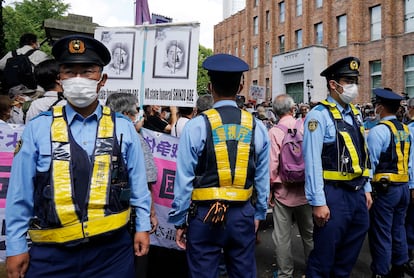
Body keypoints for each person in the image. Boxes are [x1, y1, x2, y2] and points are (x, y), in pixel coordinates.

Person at [5, 34, 152, 277]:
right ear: (59, 79)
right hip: (52, 255)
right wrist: (16, 246)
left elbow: (138, 185)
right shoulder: (38, 128)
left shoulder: (123, 127)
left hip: (111, 254)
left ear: (102, 80)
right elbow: (20, 194)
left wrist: (143, 226)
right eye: (69, 72)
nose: (78, 79)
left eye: (87, 71)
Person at [168, 53, 270, 278]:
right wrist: (258, 213)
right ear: (241, 86)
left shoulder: (196, 126)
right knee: (243, 271)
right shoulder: (257, 127)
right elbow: (263, 177)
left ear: (210, 86)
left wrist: (179, 220)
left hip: (203, 215)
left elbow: (184, 179)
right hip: (242, 214)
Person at [303, 56, 373, 277]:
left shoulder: (356, 113)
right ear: (333, 84)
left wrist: (367, 188)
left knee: (347, 258)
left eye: (355, 80)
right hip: (332, 195)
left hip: (357, 193)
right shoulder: (318, 116)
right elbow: (312, 161)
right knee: (324, 259)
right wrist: (318, 202)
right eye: (348, 80)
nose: (354, 86)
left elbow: (363, 153)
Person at [105, 92, 158, 278]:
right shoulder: (134, 138)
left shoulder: (99, 134)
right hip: (128, 219)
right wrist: (150, 214)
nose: (140, 114)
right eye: (137, 110)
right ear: (127, 114)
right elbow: (145, 182)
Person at [367, 88, 414, 277]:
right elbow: (410, 162)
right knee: (398, 228)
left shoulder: (378, 131)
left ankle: (380, 271)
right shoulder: (405, 129)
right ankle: (399, 266)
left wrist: (367, 189)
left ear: (381, 107)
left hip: (385, 190)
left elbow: (370, 163)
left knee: (381, 232)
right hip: (403, 187)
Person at [268, 94, 313, 278]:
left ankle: (285, 273)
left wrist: (270, 190)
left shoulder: (274, 132)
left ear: (274, 112)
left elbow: (272, 166)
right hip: (305, 191)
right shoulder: (305, 126)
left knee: (282, 237)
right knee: (309, 234)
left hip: (282, 192)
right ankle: (313, 269)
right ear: (293, 109)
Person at [24, 59, 65, 123]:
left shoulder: (36, 105)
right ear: (58, 78)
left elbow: (31, 129)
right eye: (68, 73)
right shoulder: (69, 103)